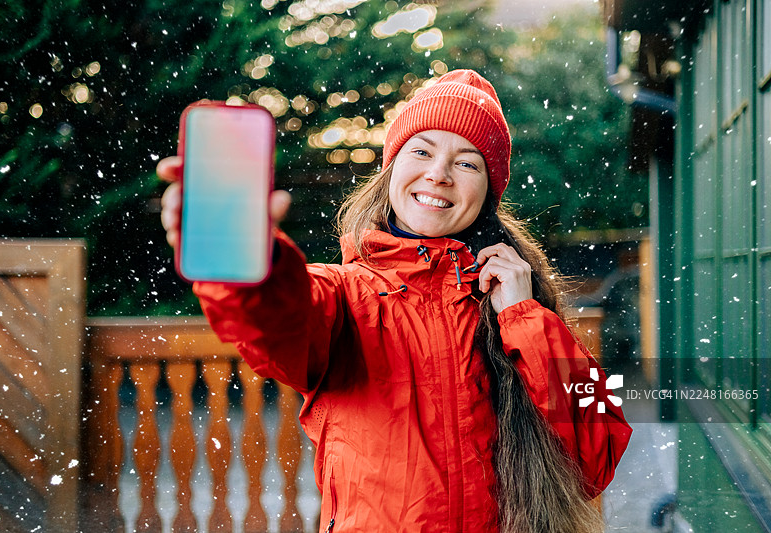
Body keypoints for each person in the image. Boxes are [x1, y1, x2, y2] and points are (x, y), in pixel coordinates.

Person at [158, 69, 632, 533]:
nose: (439, 173)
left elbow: (599, 451)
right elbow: (277, 318)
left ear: (488, 192)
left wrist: (524, 316)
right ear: (391, 170)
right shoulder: (344, 295)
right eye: (421, 150)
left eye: (467, 162)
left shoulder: (523, 306)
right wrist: (249, 260)